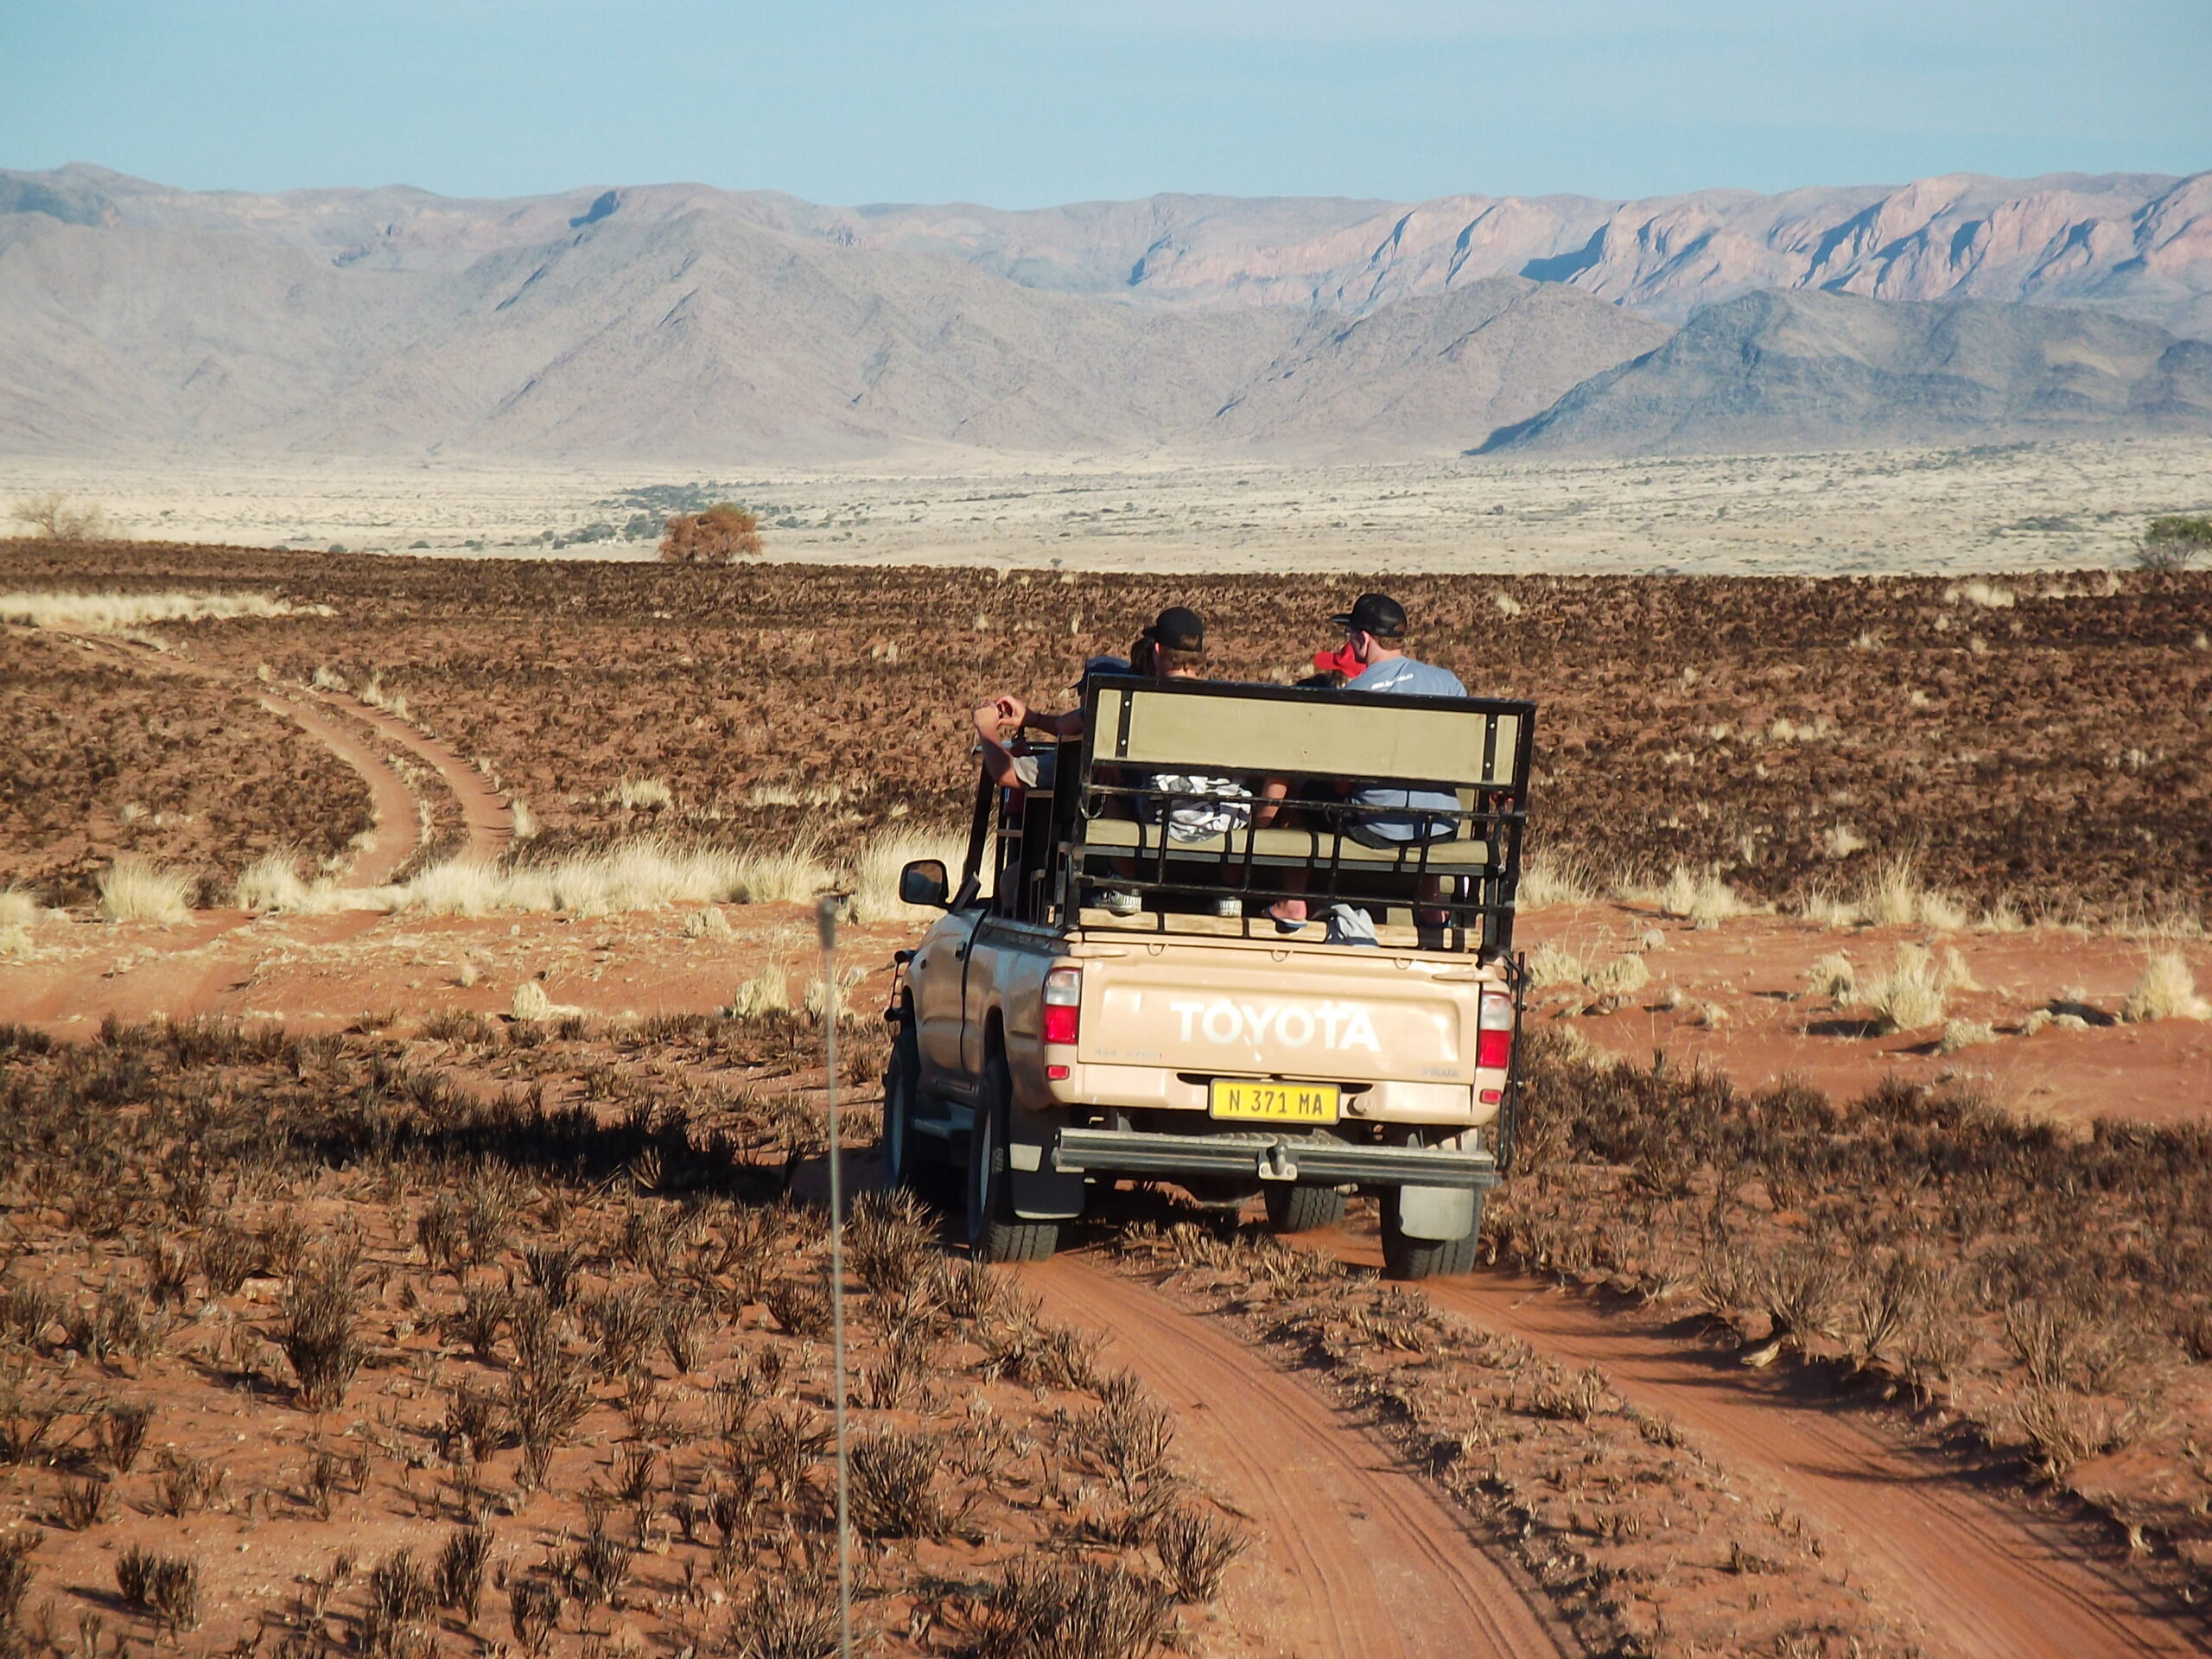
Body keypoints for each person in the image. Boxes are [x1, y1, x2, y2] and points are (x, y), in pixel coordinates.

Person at [1264, 592, 1466, 939]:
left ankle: (1294, 900)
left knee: (1300, 801)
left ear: (1364, 639)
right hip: (1441, 826)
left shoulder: (1358, 693)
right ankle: (1431, 902)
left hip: (1379, 827)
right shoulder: (1448, 682)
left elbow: (1344, 786)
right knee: (1425, 804)